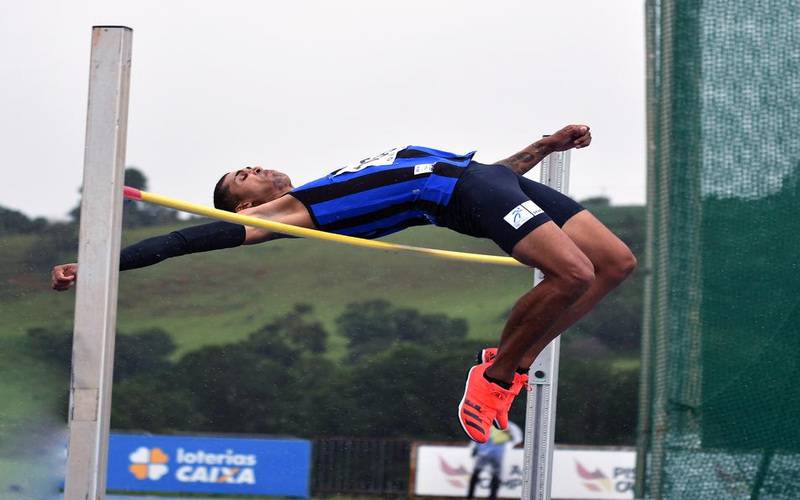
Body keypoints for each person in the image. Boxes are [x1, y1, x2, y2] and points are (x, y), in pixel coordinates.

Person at [51, 124, 636, 443]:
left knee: (613, 264)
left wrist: (542, 147)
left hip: (480, 178)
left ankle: (509, 360)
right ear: (246, 205)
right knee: (572, 273)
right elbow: (182, 242)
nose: (251, 168)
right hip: (459, 194)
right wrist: (99, 265)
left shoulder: (335, 178)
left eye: (247, 164)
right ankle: (495, 375)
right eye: (241, 177)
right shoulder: (278, 215)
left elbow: (494, 179)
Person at [467, 420, 523, 500]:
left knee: (492, 475)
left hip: (493, 454)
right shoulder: (489, 424)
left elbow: (517, 438)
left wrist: (509, 436)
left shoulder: (506, 426)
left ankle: (490, 497)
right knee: (478, 473)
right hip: (487, 453)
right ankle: (471, 496)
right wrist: (474, 448)